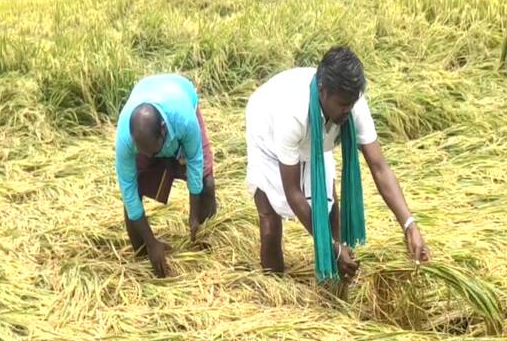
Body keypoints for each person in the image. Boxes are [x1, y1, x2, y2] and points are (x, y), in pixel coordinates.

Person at [245, 46, 430, 280]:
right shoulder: (291, 114)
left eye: (352, 103)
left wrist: (409, 224)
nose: (349, 110)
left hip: (317, 140)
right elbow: (293, 192)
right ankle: (273, 287)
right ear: (322, 92)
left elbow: (379, 167)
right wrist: (331, 246)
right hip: (268, 134)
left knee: (331, 211)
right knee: (270, 221)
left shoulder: (351, 104)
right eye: (343, 104)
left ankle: (334, 289)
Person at [115, 74, 217, 277]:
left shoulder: (184, 119)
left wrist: (193, 215)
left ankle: (203, 244)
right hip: (148, 100)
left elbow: (196, 162)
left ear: (163, 131)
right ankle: (144, 254)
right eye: (142, 151)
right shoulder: (126, 139)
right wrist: (151, 242)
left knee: (207, 184)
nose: (149, 156)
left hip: (179, 95)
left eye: (153, 152)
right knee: (133, 197)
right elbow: (128, 190)